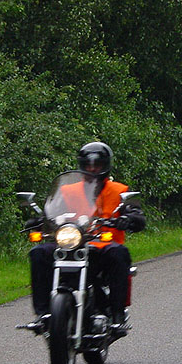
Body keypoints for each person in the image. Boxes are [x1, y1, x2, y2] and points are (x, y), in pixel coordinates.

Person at [27, 142, 145, 335]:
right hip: (70, 243)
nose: (92, 169)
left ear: (105, 165)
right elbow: (53, 211)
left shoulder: (120, 190)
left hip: (103, 245)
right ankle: (43, 313)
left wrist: (130, 218)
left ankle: (117, 314)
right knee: (38, 252)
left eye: (97, 165)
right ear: (81, 165)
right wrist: (40, 221)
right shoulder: (67, 190)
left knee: (119, 253)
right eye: (88, 165)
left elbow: (137, 215)